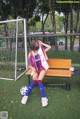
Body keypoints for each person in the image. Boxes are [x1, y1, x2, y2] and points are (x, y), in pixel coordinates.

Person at [21, 39, 51, 107]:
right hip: (35, 70)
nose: (38, 46)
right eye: (36, 45)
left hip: (42, 69)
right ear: (33, 47)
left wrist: (42, 43)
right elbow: (30, 65)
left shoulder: (41, 51)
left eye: (38, 45)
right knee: (34, 80)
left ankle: (43, 98)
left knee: (39, 80)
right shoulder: (30, 54)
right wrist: (32, 69)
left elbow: (49, 47)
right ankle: (25, 96)